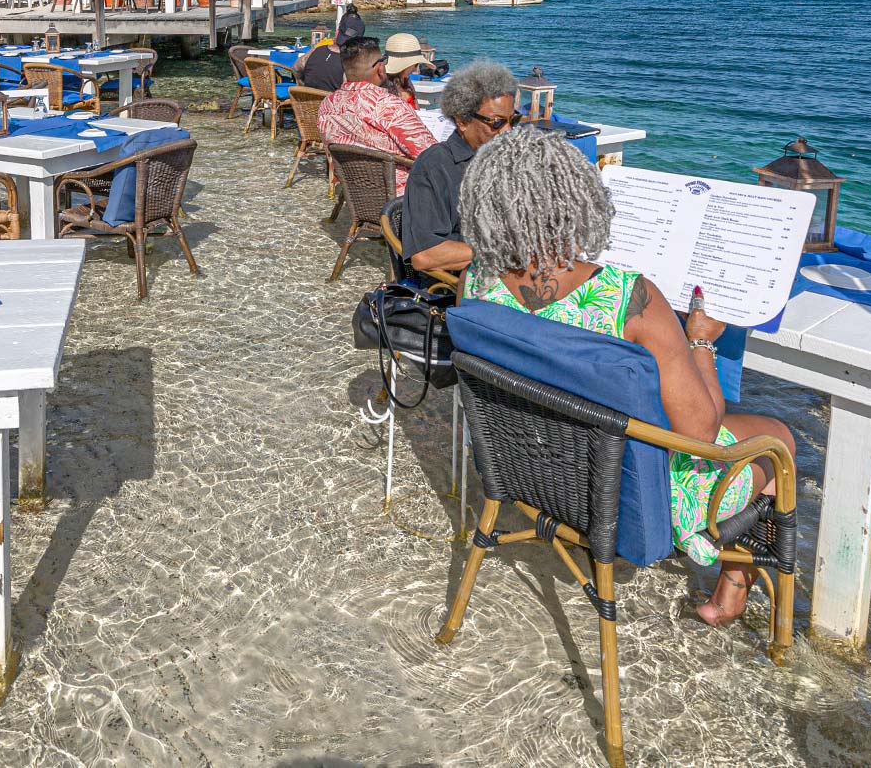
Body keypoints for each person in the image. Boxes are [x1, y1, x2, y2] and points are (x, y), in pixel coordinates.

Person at [456, 124, 795, 626]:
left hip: (531, 470)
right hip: (628, 500)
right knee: (777, 437)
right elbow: (700, 432)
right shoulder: (631, 297)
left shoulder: (476, 279)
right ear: (575, 198)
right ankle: (730, 590)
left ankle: (730, 589)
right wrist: (700, 340)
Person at [400, 59, 516, 276]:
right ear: (462, 121)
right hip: (471, 284)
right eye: (497, 122)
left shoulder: (509, 158)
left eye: (513, 120)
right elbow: (425, 254)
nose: (508, 131)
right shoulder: (435, 166)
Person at [317, 37, 434, 192]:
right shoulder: (389, 106)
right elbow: (433, 156)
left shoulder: (326, 106)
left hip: (357, 193)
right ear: (380, 68)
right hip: (402, 197)